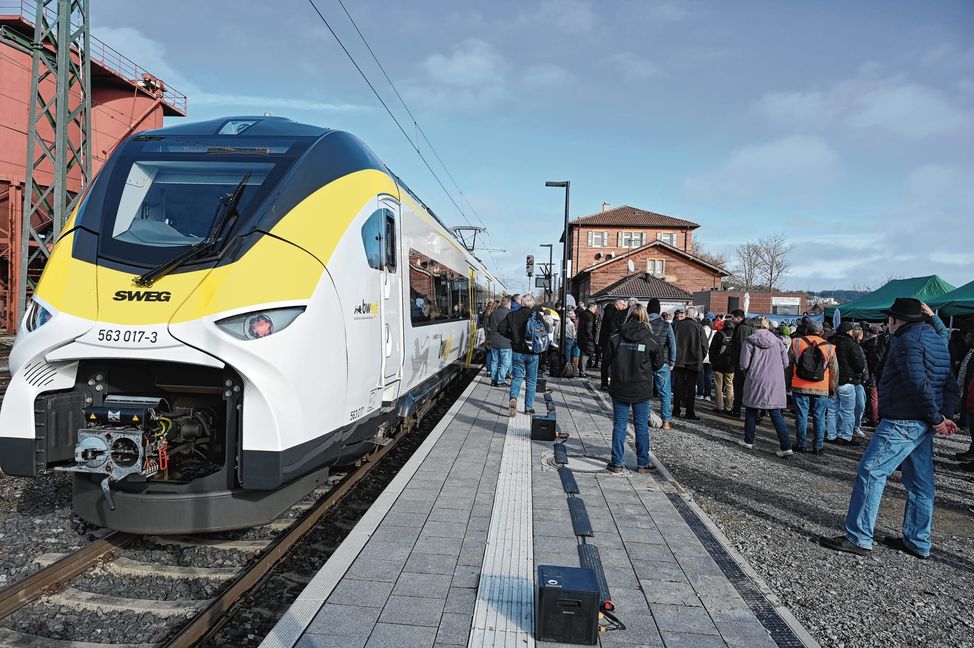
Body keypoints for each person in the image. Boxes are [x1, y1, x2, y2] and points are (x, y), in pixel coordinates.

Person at [820, 299, 959, 559]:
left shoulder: (907, 342)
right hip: (924, 421)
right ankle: (918, 540)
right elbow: (948, 382)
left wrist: (936, 418)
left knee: (871, 471)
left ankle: (859, 537)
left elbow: (916, 383)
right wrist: (943, 416)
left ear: (895, 321)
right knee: (921, 482)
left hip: (904, 418)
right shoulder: (936, 339)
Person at [605, 305, 663, 473]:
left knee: (619, 425)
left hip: (620, 385)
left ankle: (616, 462)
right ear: (645, 317)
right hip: (641, 387)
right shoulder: (651, 338)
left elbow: (606, 360)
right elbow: (658, 364)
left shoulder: (616, 336)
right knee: (641, 426)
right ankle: (643, 462)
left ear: (628, 316)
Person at [738, 317, 794, 457]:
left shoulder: (749, 341)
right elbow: (786, 362)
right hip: (775, 380)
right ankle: (786, 446)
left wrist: (747, 371)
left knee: (751, 409)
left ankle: (748, 440)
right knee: (775, 412)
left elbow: (744, 363)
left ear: (755, 327)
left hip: (756, 378)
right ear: (768, 326)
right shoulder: (778, 341)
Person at [788, 320, 838, 454]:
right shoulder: (830, 347)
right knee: (820, 417)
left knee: (801, 416)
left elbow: (788, 365)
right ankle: (818, 446)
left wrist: (787, 383)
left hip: (799, 385)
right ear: (822, 333)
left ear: (806, 330)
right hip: (822, 387)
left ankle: (801, 444)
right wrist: (832, 388)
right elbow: (834, 370)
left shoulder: (796, 342)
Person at [498, 294, 550, 416]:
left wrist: (513, 337)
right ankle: (529, 408)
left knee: (517, 378)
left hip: (517, 352)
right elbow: (545, 330)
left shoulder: (512, 315)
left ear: (522, 303)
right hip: (532, 352)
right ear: (531, 303)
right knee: (531, 381)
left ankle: (513, 399)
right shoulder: (536, 315)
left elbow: (501, 329)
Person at [825, 321, 867, 446]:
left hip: (832, 380)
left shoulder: (829, 342)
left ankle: (831, 435)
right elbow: (859, 364)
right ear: (849, 331)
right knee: (848, 410)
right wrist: (860, 371)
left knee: (832, 410)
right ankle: (846, 436)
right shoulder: (851, 344)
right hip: (847, 381)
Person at [672, 307, 709, 420]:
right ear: (695, 315)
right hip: (693, 360)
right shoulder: (699, 327)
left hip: (678, 360)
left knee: (678, 385)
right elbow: (704, 346)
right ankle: (689, 411)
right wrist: (700, 358)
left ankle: (676, 409)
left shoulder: (675, 325)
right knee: (691, 387)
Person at [647, 298, 677, 429]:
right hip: (662, 362)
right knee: (665, 392)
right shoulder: (666, 325)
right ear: (659, 310)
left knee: (646, 391)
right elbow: (672, 345)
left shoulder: (644, 324)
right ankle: (666, 421)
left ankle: (646, 417)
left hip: (646, 362)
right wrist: (672, 361)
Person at [728, 309, 756, 419]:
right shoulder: (751, 327)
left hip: (742, 363)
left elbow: (740, 346)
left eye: (732, 317)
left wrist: (739, 362)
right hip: (751, 362)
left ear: (738, 317)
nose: (731, 320)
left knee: (738, 387)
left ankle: (736, 411)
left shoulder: (741, 328)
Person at [598, 299, 629, 390]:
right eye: (623, 305)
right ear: (617, 304)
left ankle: (605, 383)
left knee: (606, 362)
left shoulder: (609, 311)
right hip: (608, 341)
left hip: (606, 341)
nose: (624, 307)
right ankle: (606, 383)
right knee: (608, 362)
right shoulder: (611, 312)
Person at [860, 324, 886, 426]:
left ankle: (874, 418)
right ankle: (875, 417)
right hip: (877, 373)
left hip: (872, 374)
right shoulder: (880, 343)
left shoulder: (867, 345)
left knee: (872, 396)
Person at [710, 321, 735, 414]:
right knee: (730, 385)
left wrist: (713, 361)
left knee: (718, 386)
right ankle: (729, 407)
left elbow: (712, 349)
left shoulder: (718, 335)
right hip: (730, 365)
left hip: (718, 364)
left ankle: (719, 406)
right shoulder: (735, 335)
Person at [849, 325, 869, 438]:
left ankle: (855, 426)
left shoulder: (859, 347)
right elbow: (863, 363)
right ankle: (854, 427)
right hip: (854, 379)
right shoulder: (855, 347)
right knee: (857, 405)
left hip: (858, 380)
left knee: (860, 404)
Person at [487, 298, 512, 386]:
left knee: (494, 361)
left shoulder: (493, 313)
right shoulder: (509, 314)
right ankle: (500, 380)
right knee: (506, 362)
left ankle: (493, 379)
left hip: (494, 341)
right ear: (508, 304)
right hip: (505, 342)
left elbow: (489, 325)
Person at [697, 318, 716, 402]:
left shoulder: (699, 331)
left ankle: (700, 393)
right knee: (708, 376)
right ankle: (707, 395)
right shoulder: (714, 333)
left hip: (701, 357)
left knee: (700, 375)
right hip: (710, 357)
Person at [577, 302, 598, 376]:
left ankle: (581, 370)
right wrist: (592, 338)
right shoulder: (590, 316)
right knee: (585, 355)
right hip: (587, 338)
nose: (596, 310)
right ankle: (582, 372)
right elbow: (589, 329)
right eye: (595, 308)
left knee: (582, 353)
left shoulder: (582, 314)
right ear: (591, 308)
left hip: (581, 337)